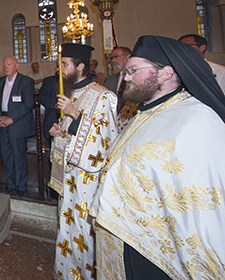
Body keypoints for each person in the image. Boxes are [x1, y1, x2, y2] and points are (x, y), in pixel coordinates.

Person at [93, 35, 225, 280]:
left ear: (165, 73)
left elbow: (206, 203)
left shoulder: (197, 119)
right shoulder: (145, 111)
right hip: (130, 237)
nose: (126, 77)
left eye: (134, 70)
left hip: (163, 250)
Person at [47, 43, 118, 280]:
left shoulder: (103, 96)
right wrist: (59, 132)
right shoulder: (71, 94)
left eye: (65, 64)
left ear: (81, 67)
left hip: (88, 181)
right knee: (66, 228)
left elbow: (106, 140)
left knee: (83, 231)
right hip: (68, 179)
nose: (61, 69)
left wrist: (75, 115)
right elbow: (72, 134)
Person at [0, 56, 35, 196]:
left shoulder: (26, 81)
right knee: (6, 156)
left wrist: (12, 119)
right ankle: (10, 184)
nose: (6, 67)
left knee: (18, 156)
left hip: (18, 124)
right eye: (4, 64)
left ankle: (21, 187)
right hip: (2, 122)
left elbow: (28, 104)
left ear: (16, 66)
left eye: (9, 64)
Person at [104, 46, 132, 112]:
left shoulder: (137, 77)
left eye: (116, 57)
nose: (113, 60)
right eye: (111, 58)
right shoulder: (110, 80)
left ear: (128, 57)